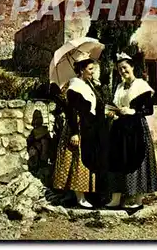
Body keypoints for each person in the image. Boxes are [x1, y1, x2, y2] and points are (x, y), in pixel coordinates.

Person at [52, 52, 108, 208]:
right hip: (77, 127)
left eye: (93, 69)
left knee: (88, 160)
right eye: (90, 69)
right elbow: (70, 111)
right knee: (78, 161)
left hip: (89, 127)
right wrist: (75, 133)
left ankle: (89, 194)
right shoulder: (75, 86)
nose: (92, 72)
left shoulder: (88, 85)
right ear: (82, 70)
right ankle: (79, 197)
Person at [106, 52, 157, 210]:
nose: (122, 71)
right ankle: (115, 199)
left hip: (136, 128)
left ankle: (138, 200)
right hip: (119, 128)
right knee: (116, 160)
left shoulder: (141, 85)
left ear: (132, 67)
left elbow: (149, 110)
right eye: (119, 69)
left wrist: (133, 112)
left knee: (137, 161)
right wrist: (112, 112)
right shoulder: (120, 87)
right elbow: (116, 105)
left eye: (125, 67)